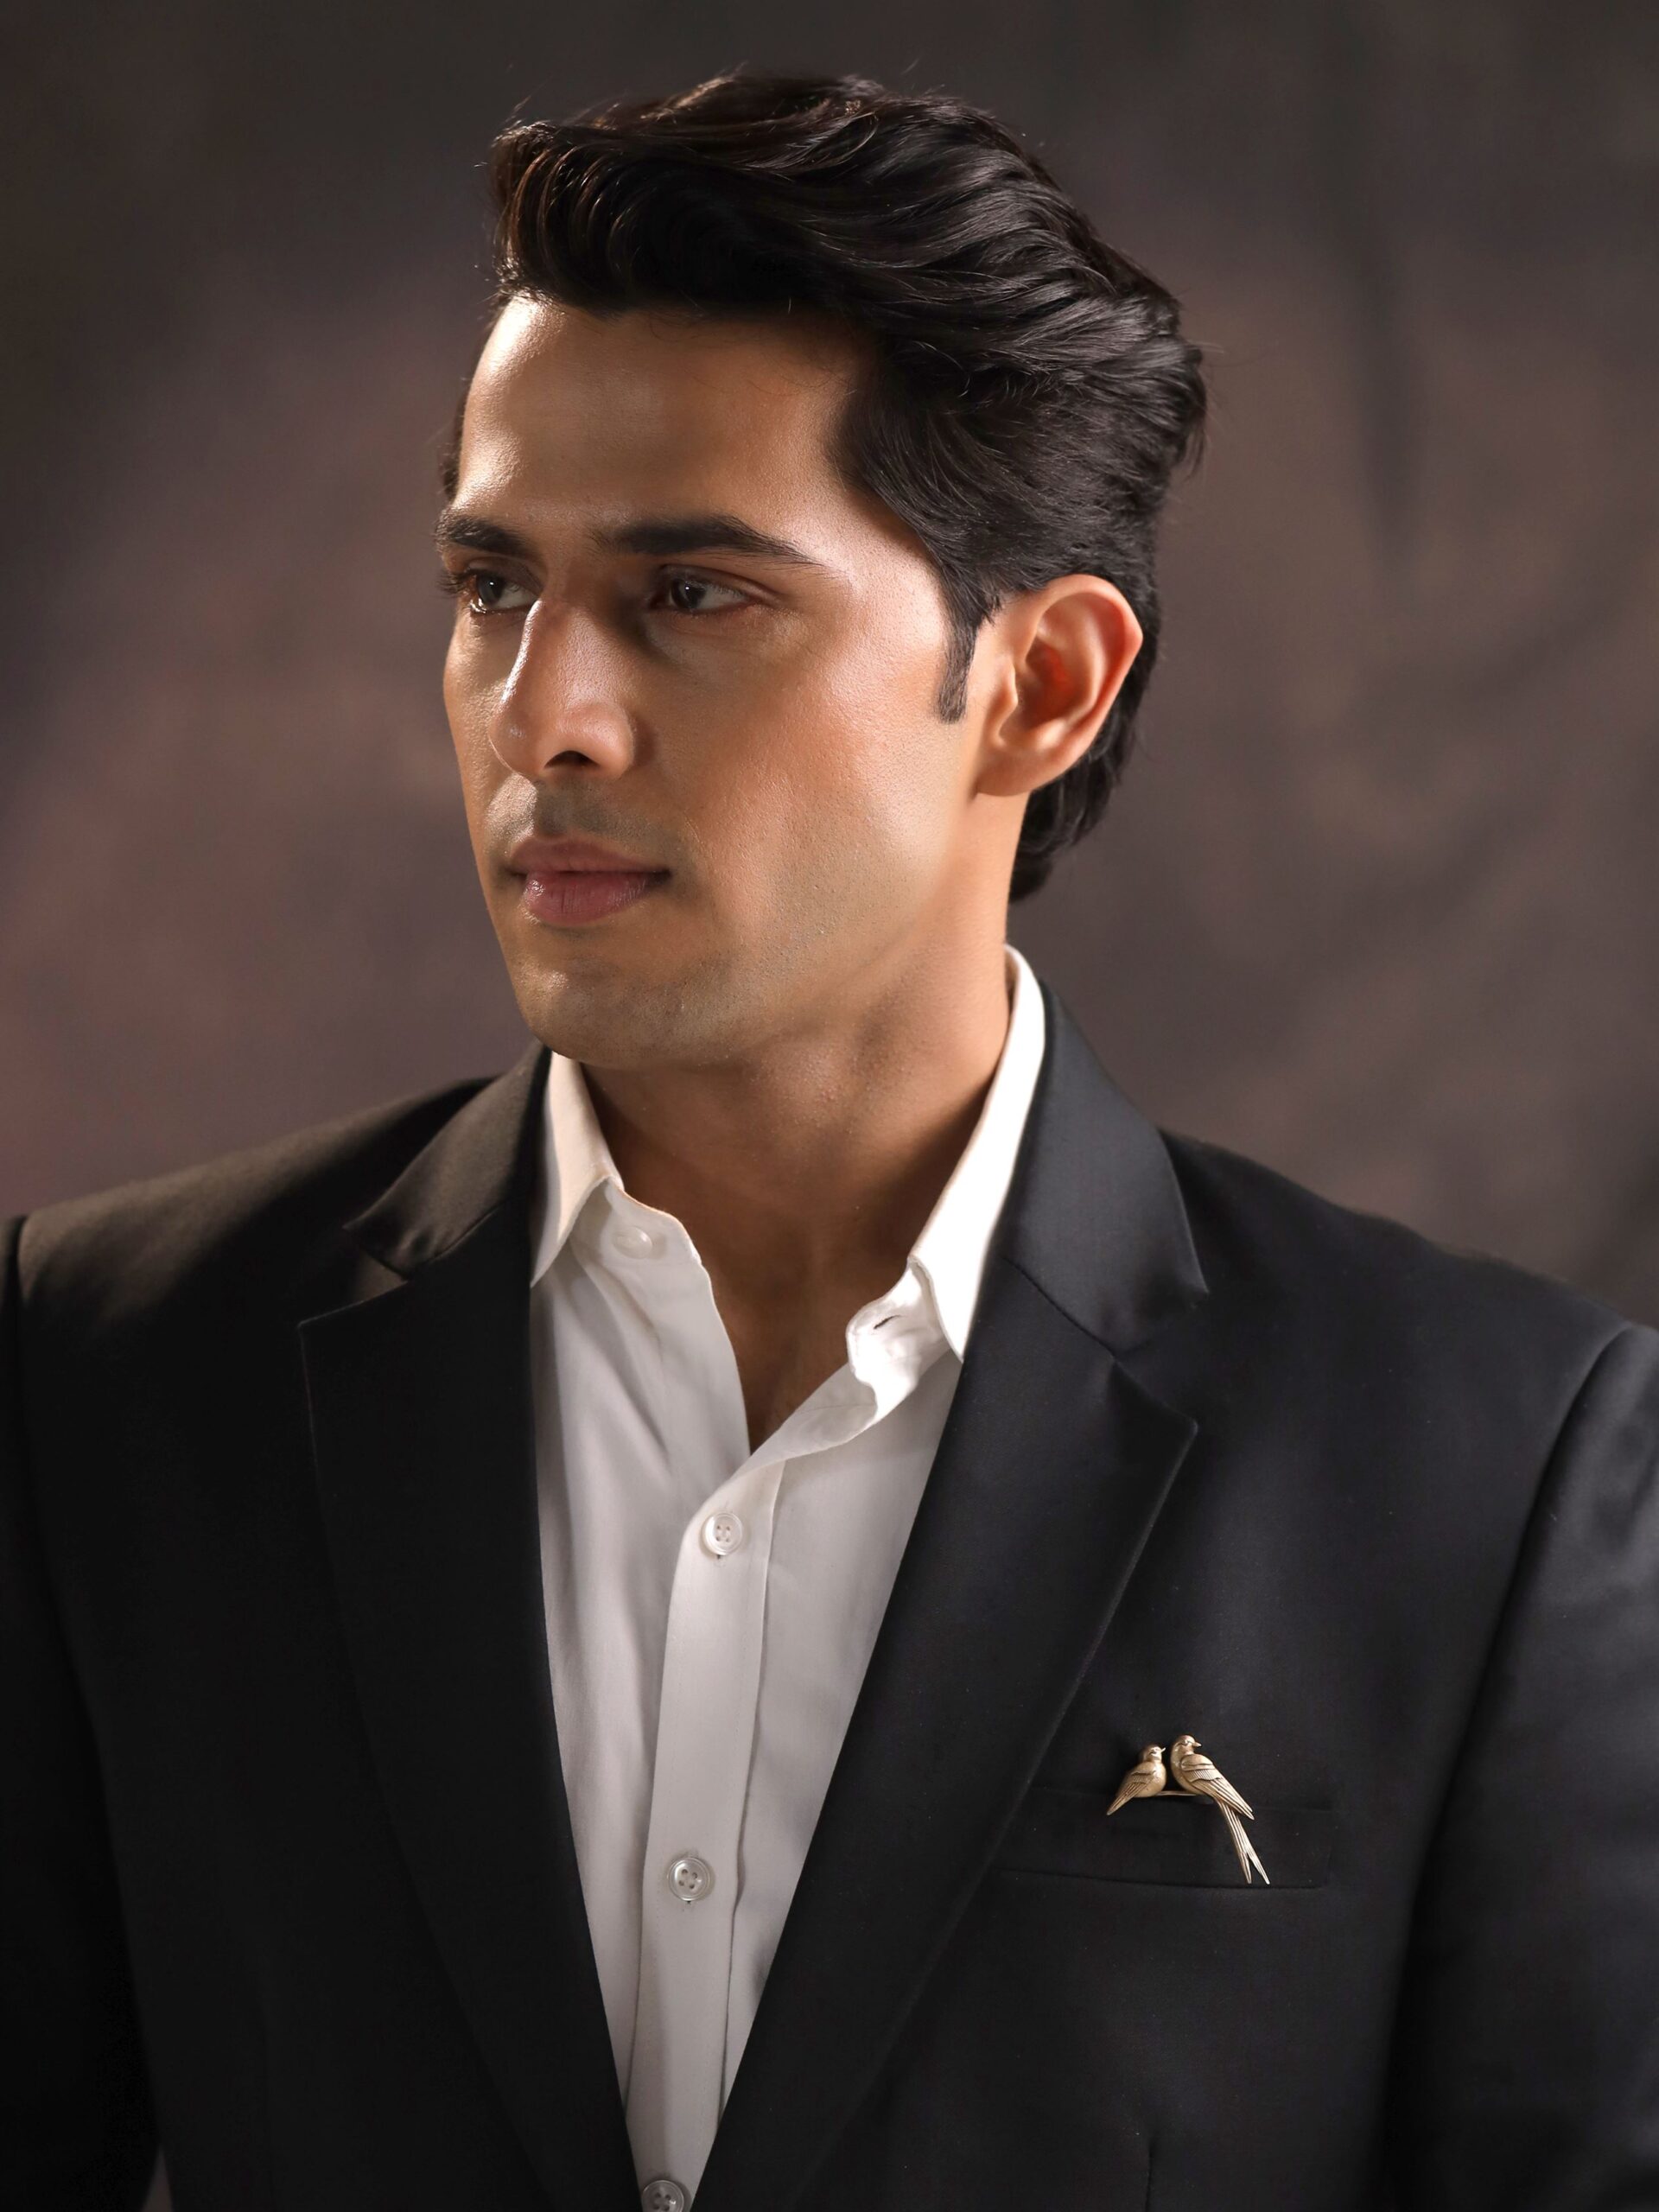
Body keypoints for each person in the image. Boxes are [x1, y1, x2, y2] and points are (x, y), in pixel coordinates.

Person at [3, 68, 1656, 2212]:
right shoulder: (114, 1375)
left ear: (1041, 681)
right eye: (492, 584)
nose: (541, 715)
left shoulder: (1492, 1468)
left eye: (693, 594)